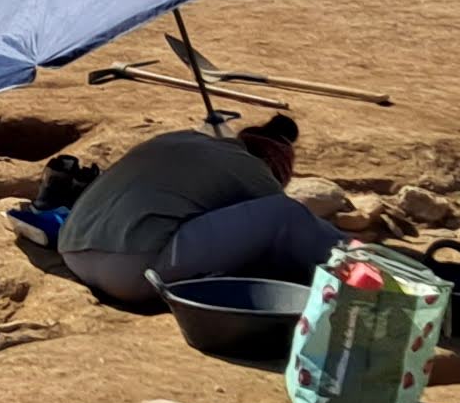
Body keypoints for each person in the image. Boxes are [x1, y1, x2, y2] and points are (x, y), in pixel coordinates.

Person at [55, 113, 342, 310]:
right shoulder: (252, 170)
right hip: (132, 272)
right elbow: (285, 227)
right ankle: (354, 260)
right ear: (271, 166)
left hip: (72, 251)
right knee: (285, 213)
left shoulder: (179, 139)